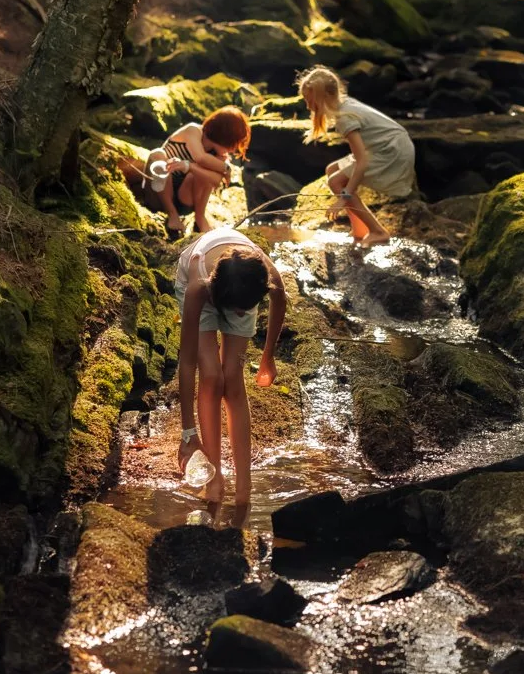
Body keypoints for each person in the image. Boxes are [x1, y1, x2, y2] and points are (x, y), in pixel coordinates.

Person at [174, 225, 284, 506]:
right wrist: (188, 433)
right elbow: (187, 363)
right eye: (236, 309)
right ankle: (215, 478)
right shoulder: (199, 286)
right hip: (207, 287)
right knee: (211, 376)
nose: (238, 314)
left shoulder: (261, 276)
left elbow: (279, 298)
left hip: (238, 289)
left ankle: (244, 485)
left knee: (233, 379)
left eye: (244, 310)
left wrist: (267, 356)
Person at [297, 65, 416, 247]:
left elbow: (361, 162)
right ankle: (360, 229)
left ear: (323, 96)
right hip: (388, 144)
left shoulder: (345, 118)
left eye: (309, 99)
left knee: (336, 182)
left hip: (391, 151)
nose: (307, 105)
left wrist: (343, 198)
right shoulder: (344, 105)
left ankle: (378, 231)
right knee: (332, 170)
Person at [118, 106, 250, 237]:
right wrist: (225, 168)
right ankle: (172, 215)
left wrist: (191, 167)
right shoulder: (193, 130)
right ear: (223, 136)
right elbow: (200, 157)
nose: (233, 150)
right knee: (157, 154)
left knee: (198, 173)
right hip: (157, 194)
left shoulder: (219, 155)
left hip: (184, 202)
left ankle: (200, 218)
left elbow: (215, 180)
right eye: (232, 144)